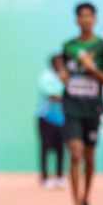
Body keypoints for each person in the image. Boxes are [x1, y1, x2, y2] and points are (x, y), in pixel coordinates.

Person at [61, 2, 103, 205]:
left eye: (89, 16)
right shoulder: (68, 46)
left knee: (89, 156)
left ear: (95, 19)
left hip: (93, 108)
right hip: (72, 106)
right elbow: (65, 72)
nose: (85, 20)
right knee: (75, 153)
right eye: (81, 16)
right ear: (76, 20)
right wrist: (64, 77)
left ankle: (86, 199)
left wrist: (91, 68)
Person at [35, 54, 66, 189]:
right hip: (46, 117)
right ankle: (45, 177)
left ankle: (59, 177)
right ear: (53, 64)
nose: (61, 66)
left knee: (61, 148)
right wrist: (71, 98)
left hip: (61, 118)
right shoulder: (46, 77)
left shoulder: (65, 77)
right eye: (58, 63)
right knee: (45, 147)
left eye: (62, 63)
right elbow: (53, 96)